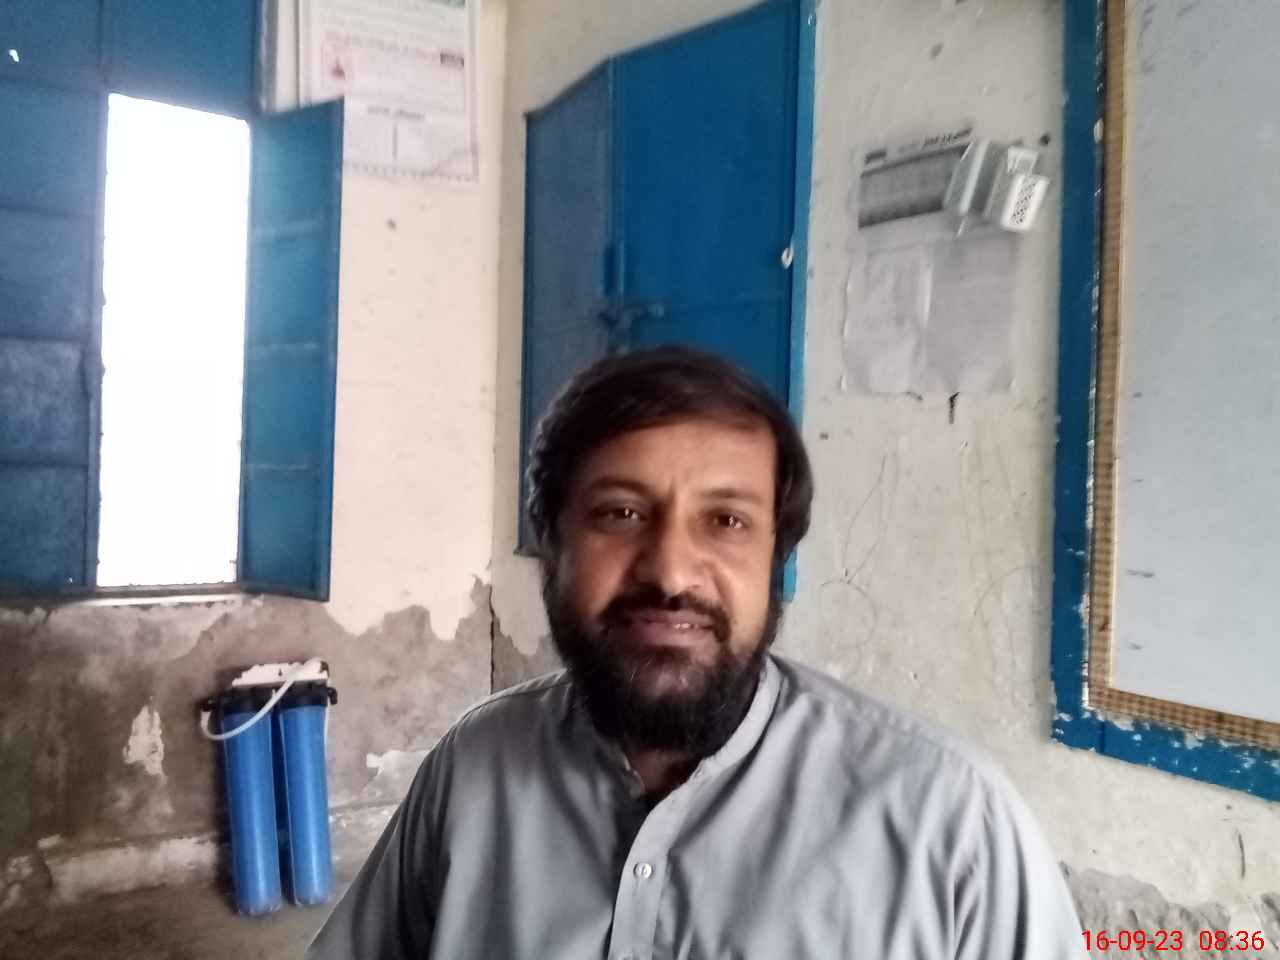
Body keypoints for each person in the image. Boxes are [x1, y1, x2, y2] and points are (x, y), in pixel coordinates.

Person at [307, 346, 1086, 960]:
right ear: (551, 545)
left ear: (777, 557)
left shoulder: (949, 823)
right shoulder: (476, 764)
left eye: (726, 522)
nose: (671, 573)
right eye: (620, 513)